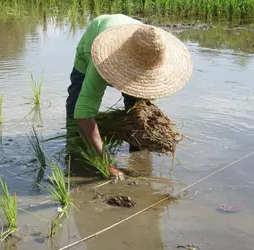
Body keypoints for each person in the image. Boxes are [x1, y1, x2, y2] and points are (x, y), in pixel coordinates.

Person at [65, 14, 193, 183]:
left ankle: (136, 146)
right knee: (75, 109)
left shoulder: (150, 48)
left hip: (134, 38)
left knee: (138, 109)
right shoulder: (101, 59)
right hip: (96, 38)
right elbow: (83, 113)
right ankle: (76, 148)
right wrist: (106, 164)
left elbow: (146, 109)